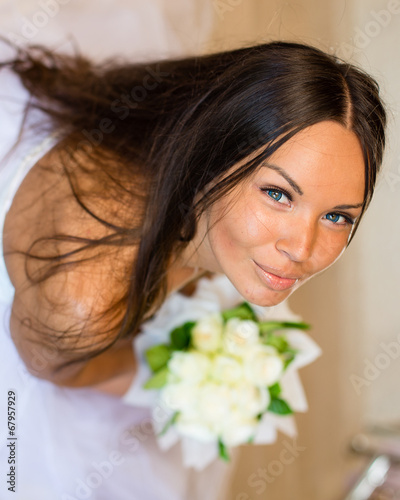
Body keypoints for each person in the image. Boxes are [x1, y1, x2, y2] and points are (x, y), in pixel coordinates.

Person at [0, 40, 386, 499]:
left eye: (338, 217)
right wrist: (184, 379)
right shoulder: (83, 306)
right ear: (215, 153)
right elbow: (53, 369)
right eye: (278, 195)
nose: (302, 248)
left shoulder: (175, 154)